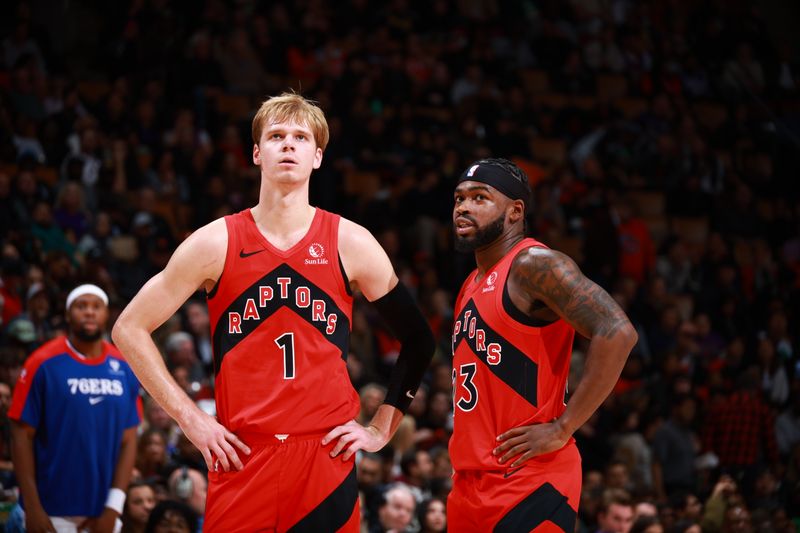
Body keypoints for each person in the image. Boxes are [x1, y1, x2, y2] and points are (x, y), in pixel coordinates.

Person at [112, 92, 435, 532]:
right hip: (242, 455)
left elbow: (420, 340)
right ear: (256, 153)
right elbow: (129, 328)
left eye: (301, 137)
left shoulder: (350, 241)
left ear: (317, 157)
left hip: (325, 457)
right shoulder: (215, 242)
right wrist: (191, 420)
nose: (288, 144)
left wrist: (381, 428)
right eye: (277, 135)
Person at [448, 158, 638, 532]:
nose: (464, 207)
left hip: (529, 481)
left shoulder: (535, 265)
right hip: (470, 484)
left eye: (480, 197)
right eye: (459, 199)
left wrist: (564, 427)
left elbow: (617, 331)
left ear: (515, 211)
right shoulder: (471, 282)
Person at [8, 284, 141, 533]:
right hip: (51, 510)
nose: (89, 312)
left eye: (96, 307)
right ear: (68, 315)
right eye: (81, 306)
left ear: (106, 314)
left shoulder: (124, 367)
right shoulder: (43, 362)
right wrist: (33, 507)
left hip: (102, 511)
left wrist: (113, 507)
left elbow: (129, 439)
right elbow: (20, 434)